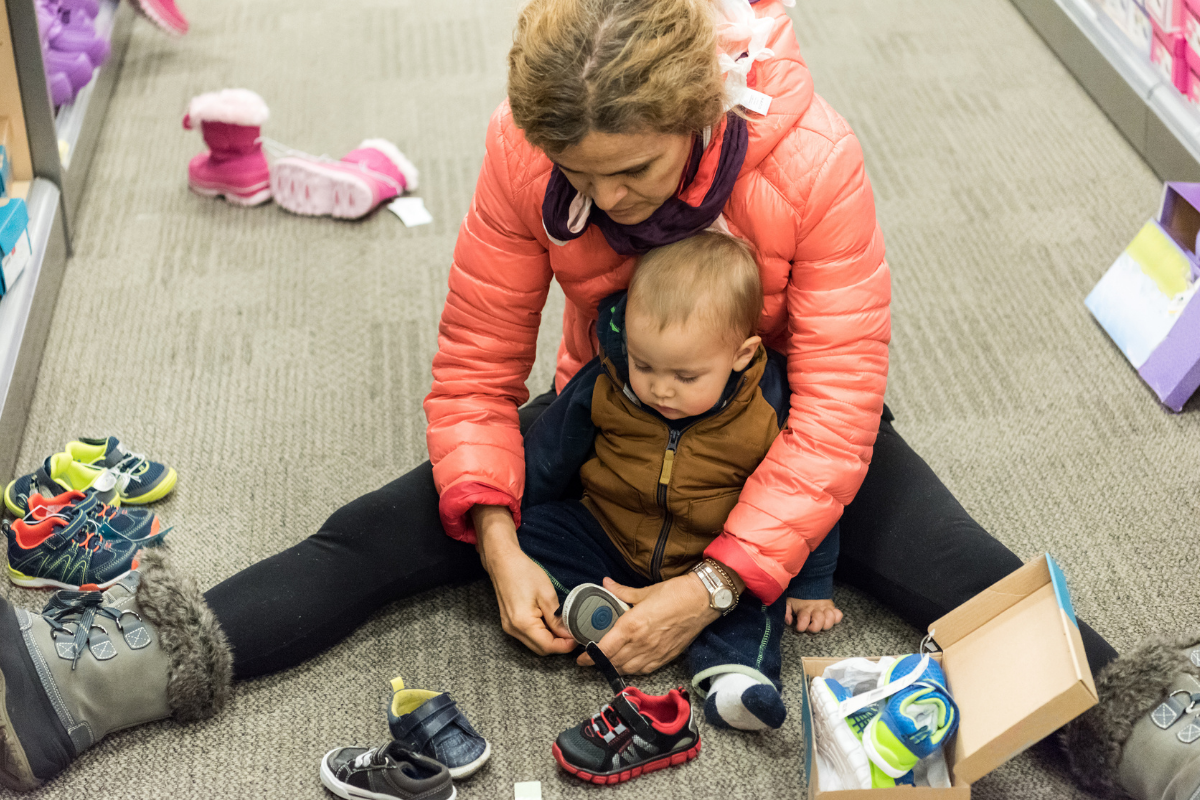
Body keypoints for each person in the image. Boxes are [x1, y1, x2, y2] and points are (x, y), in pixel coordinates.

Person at [0, 1, 1192, 797]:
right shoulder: (532, 153)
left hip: (777, 430)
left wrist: (714, 584)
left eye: (633, 169)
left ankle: (1151, 731)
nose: (605, 200)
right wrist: (502, 538)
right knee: (378, 528)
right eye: (580, 175)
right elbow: (475, 364)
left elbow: (836, 409)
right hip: (610, 418)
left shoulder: (814, 160)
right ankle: (98, 666)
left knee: (972, 572)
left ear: (703, 119)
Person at [518, 230, 842, 732]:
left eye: (686, 377)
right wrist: (526, 508)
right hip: (610, 528)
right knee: (535, 529)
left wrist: (814, 584)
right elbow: (548, 453)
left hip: (712, 557)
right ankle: (590, 604)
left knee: (760, 596)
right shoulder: (607, 380)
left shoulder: (769, 405)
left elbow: (808, 501)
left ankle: (737, 683)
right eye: (644, 365)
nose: (660, 389)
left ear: (740, 353)